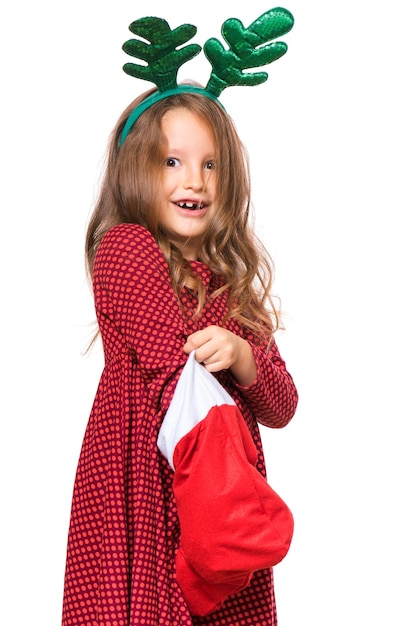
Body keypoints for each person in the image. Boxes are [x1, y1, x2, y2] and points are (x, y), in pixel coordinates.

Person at [62, 11, 297, 626]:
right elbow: (173, 362)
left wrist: (244, 354)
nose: (193, 180)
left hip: (221, 493)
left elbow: (282, 405)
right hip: (144, 484)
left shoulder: (232, 284)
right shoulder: (126, 248)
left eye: (210, 164)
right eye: (171, 162)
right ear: (135, 167)